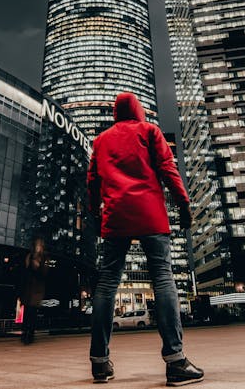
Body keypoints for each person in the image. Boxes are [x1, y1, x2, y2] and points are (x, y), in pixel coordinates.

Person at [87, 92, 204, 386]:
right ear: (138, 110)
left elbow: (92, 181)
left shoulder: (100, 141)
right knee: (163, 279)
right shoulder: (149, 131)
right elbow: (168, 168)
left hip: (115, 215)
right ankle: (176, 362)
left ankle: (100, 363)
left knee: (106, 283)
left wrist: (95, 214)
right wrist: (184, 204)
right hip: (150, 213)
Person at [19, 237, 47, 344]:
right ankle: (24, 333)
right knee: (26, 313)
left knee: (32, 313)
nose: (38, 247)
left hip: (36, 291)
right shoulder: (29, 256)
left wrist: (38, 265)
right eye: (37, 245)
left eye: (40, 245)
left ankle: (30, 335)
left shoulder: (44, 258)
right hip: (28, 290)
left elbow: (44, 273)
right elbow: (24, 272)